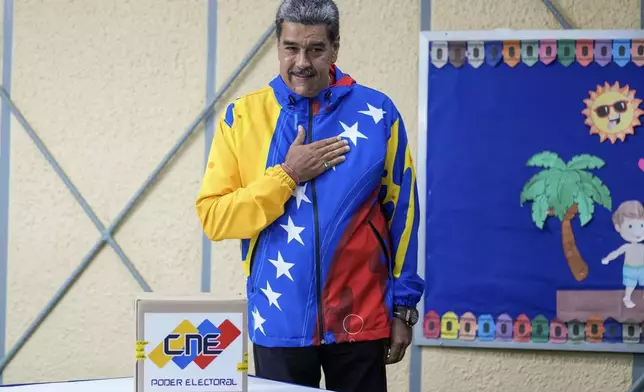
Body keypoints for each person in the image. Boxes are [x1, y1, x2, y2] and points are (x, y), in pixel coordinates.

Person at [195, 0, 424, 390]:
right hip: (279, 320)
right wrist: (287, 175)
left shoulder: (378, 112)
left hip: (360, 319)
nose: (302, 61)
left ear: (335, 48)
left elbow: (403, 214)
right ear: (278, 46)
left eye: (316, 49)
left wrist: (403, 307)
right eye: (291, 48)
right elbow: (216, 219)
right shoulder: (242, 117)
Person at [602, 200, 644, 309]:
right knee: (630, 285)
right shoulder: (627, 247)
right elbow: (616, 253)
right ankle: (627, 297)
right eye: (630, 226)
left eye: (641, 225)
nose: (637, 232)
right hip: (629, 269)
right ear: (618, 227)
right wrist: (608, 258)